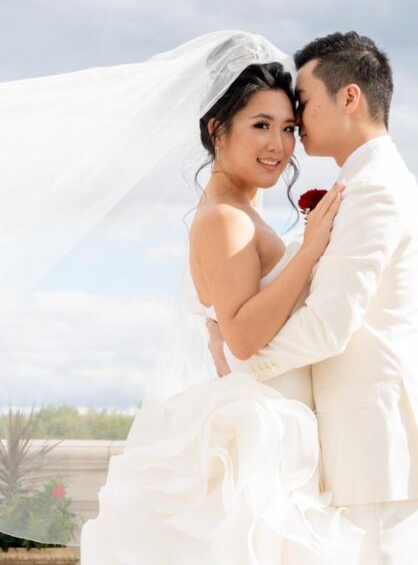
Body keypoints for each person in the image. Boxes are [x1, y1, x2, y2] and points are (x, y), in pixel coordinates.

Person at [80, 58, 364, 563]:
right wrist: (309, 250)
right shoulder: (225, 221)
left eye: (289, 128)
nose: (278, 145)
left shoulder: (239, 214)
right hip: (258, 432)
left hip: (275, 423)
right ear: (217, 130)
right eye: (260, 126)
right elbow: (242, 337)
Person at [208, 32, 418, 565]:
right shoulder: (361, 183)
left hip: (382, 459)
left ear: (349, 98)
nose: (298, 117)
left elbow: (330, 326)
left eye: (304, 102)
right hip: (358, 458)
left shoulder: (377, 188)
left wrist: (240, 360)